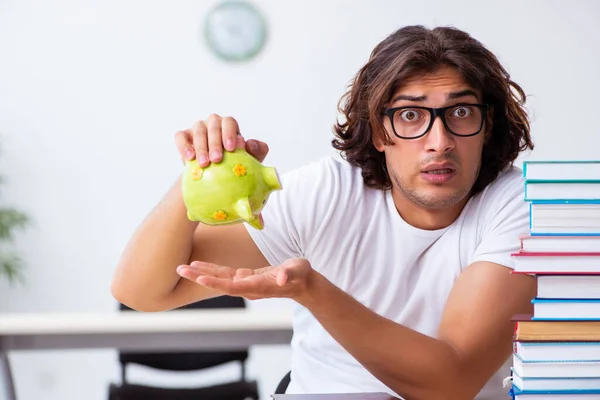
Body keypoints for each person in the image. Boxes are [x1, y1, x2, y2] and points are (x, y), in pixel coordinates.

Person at [111, 24, 536, 400]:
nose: (439, 140)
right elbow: (142, 292)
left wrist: (313, 291)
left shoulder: (516, 204)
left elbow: (451, 382)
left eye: (461, 112)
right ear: (379, 131)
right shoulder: (330, 190)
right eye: (411, 115)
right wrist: (196, 176)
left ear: (489, 124)